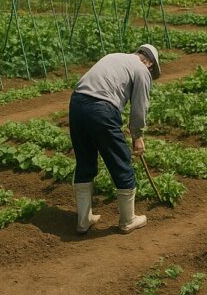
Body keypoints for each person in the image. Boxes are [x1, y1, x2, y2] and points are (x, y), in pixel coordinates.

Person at [69, 44, 161, 234]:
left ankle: (83, 220)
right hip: (101, 109)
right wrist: (137, 136)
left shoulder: (113, 56)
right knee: (120, 161)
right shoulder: (142, 70)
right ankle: (128, 220)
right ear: (150, 63)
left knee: (85, 161)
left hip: (77, 103)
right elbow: (139, 107)